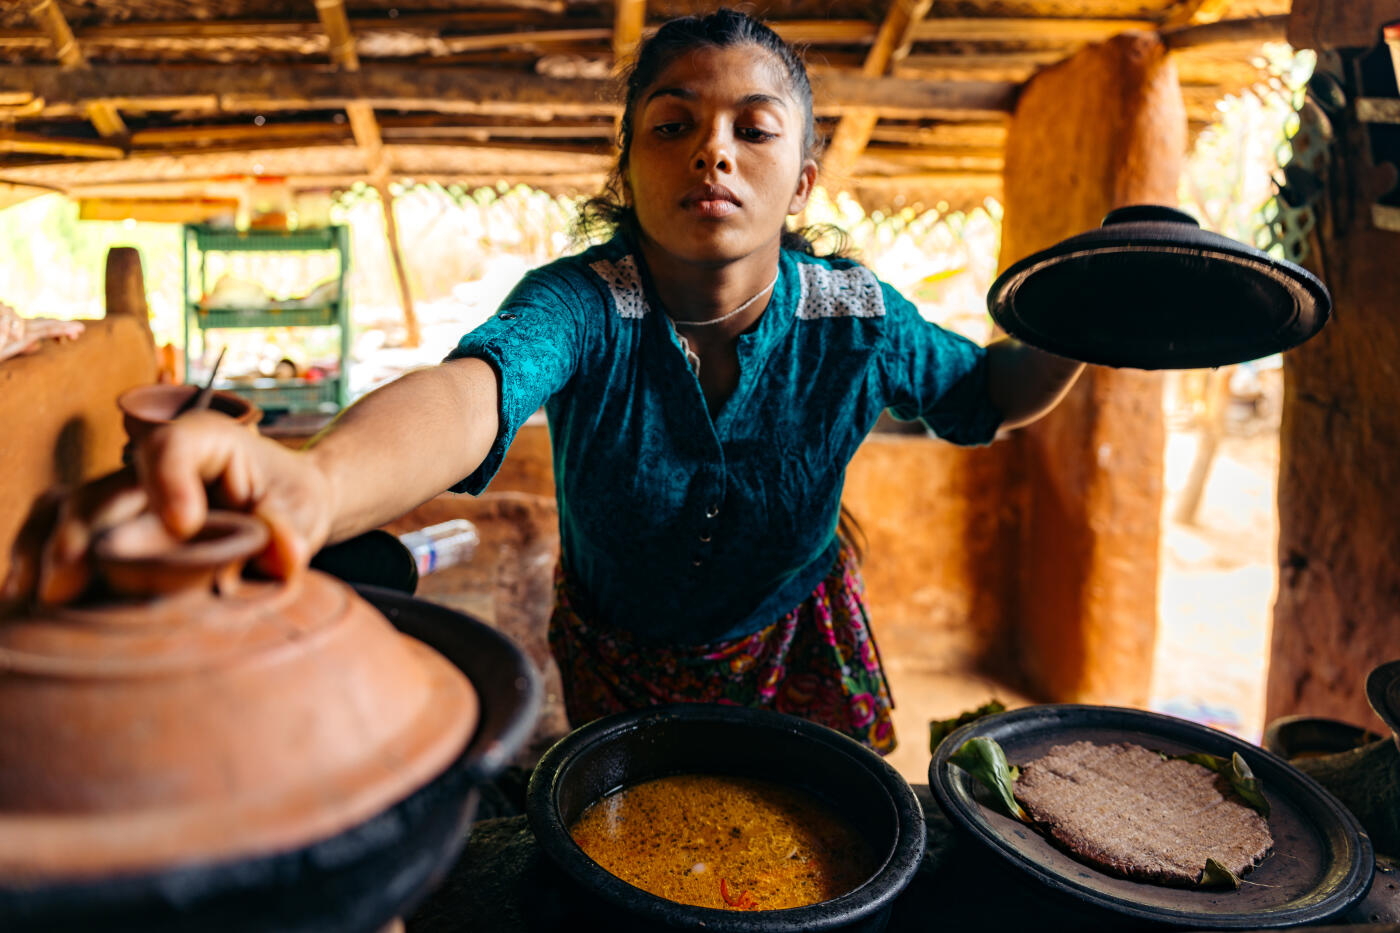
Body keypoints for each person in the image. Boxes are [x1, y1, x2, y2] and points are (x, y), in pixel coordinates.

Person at [3, 10, 1082, 756]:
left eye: (752, 130)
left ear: (799, 180)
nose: (712, 151)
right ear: (628, 169)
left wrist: (1089, 328)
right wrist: (319, 486)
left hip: (792, 641)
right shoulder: (582, 304)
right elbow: (472, 389)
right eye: (672, 125)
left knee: (801, 841)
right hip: (615, 650)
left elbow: (987, 393)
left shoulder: (856, 314)